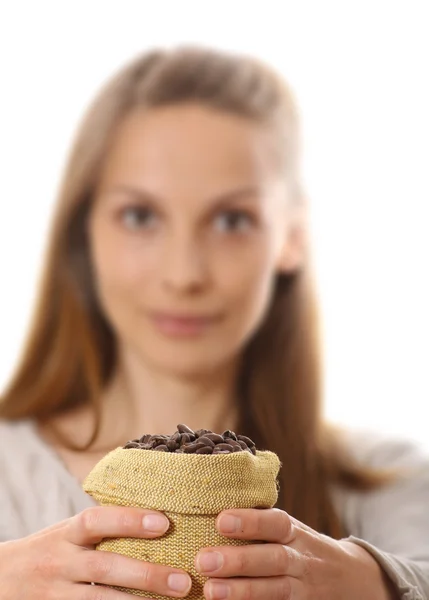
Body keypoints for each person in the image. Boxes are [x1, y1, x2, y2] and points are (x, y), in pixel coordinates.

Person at [0, 45, 428, 600]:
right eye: (140, 216)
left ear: (292, 237)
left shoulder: (382, 481)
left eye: (232, 220)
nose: (184, 275)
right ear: (85, 232)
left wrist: (376, 585)